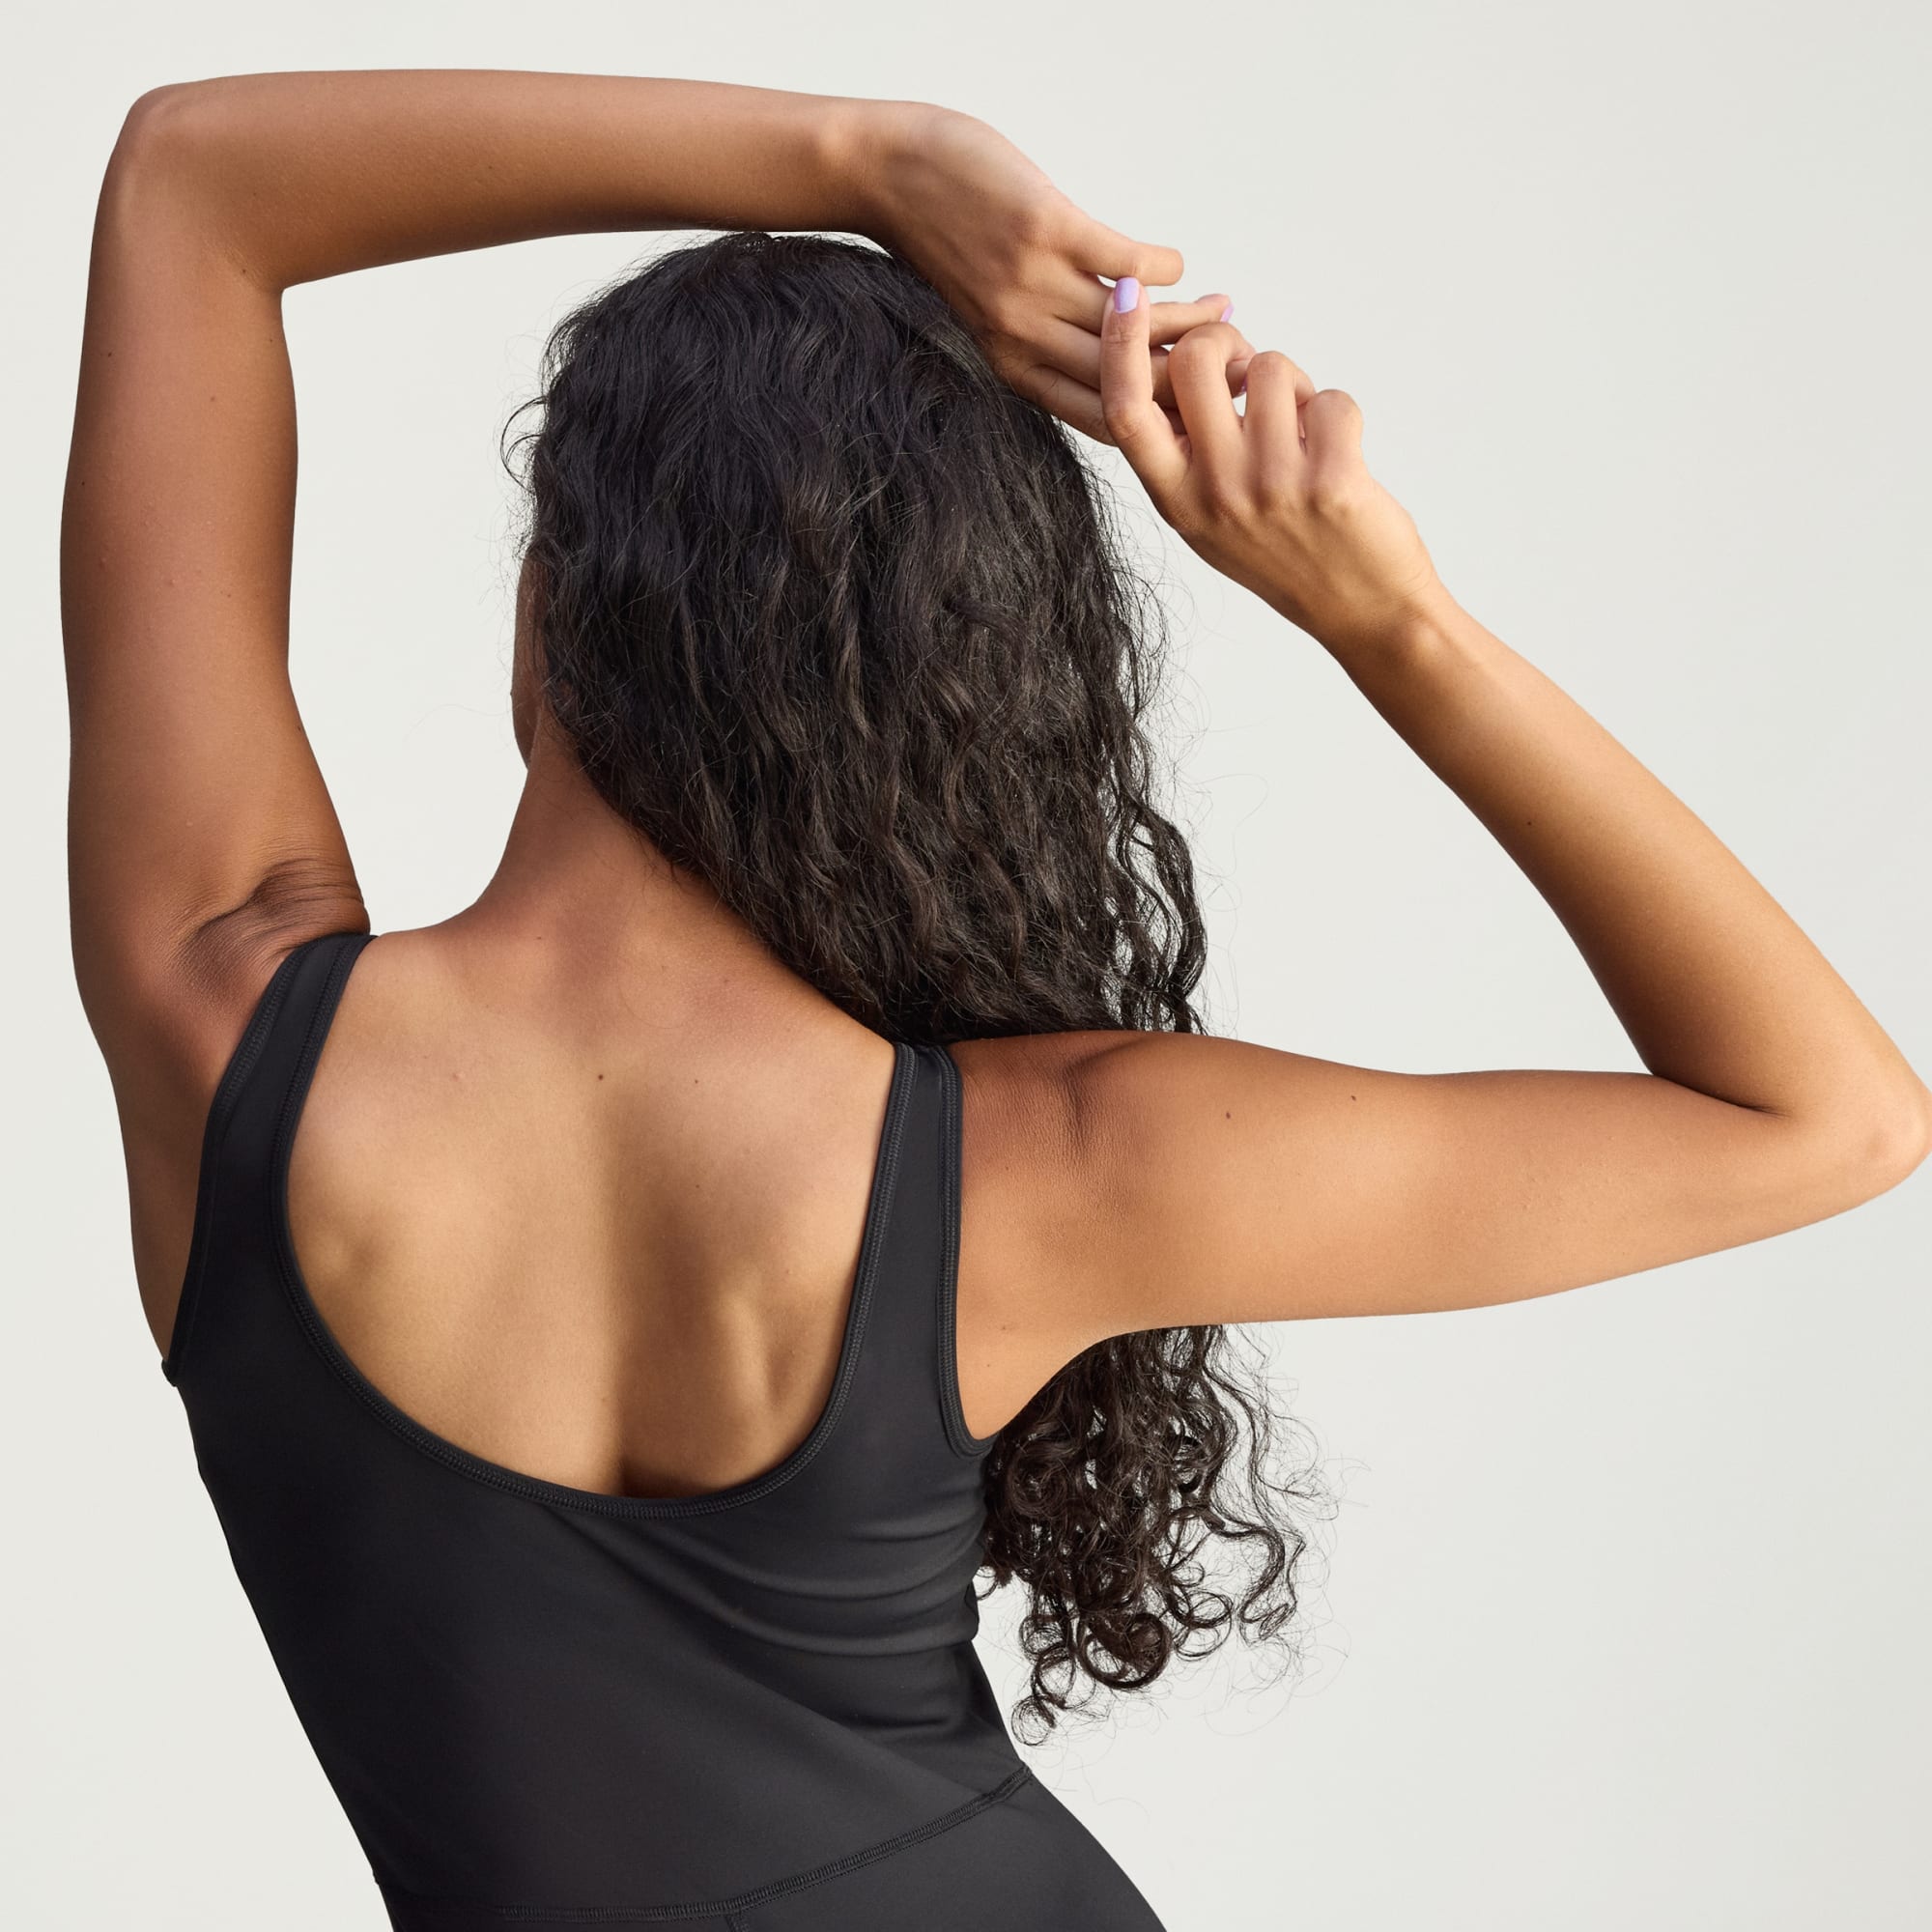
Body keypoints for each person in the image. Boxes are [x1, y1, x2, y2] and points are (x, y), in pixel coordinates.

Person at [61, 70, 1927, 1932]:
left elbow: (196, 184)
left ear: (544, 611)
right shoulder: (1044, 1166)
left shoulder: (225, 1034)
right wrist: (1392, 620)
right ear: (962, 689)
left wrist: (872, 164)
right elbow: (1824, 1116)